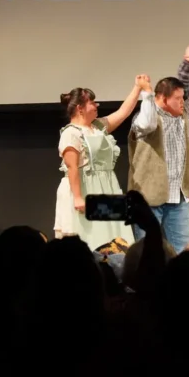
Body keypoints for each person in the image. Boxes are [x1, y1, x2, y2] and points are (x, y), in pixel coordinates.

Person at [127, 44, 189, 253]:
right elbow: (147, 124)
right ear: (162, 98)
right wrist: (146, 94)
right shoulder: (145, 116)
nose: (183, 103)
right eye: (177, 99)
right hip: (148, 199)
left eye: (182, 98)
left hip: (178, 197)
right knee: (146, 253)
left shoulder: (182, 116)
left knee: (180, 252)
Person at [55, 76, 148, 250]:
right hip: (85, 188)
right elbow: (72, 167)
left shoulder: (97, 127)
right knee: (90, 236)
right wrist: (77, 197)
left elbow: (123, 113)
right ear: (80, 108)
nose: (96, 105)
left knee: (113, 235)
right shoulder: (71, 133)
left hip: (106, 186)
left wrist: (137, 88)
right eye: (92, 102)